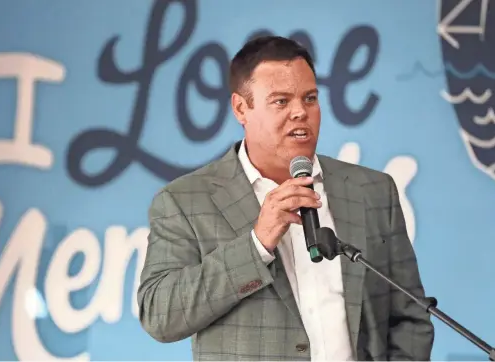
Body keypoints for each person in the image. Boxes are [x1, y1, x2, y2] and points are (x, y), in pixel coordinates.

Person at [137, 35, 434, 361]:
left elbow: (410, 314)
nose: (300, 113)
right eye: (281, 101)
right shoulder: (185, 201)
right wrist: (256, 246)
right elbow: (159, 315)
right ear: (241, 108)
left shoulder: (372, 191)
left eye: (310, 98)